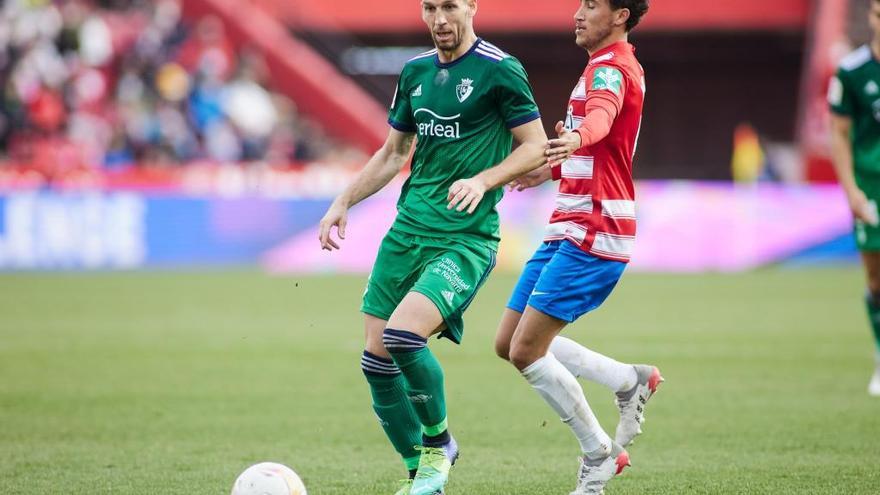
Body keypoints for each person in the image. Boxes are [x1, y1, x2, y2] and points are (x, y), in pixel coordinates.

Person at [318, 0, 547, 493]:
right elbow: (393, 152)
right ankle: (420, 476)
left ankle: (439, 442)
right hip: (407, 231)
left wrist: (484, 180)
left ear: (471, 7)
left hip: (464, 238)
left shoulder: (500, 69)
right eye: (429, 8)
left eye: (449, 6)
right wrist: (343, 200)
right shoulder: (415, 72)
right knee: (376, 361)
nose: (440, 19)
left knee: (403, 338)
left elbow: (535, 145)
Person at [493, 1, 659, 493]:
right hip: (567, 224)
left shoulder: (611, 69)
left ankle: (599, 454)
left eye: (591, 4)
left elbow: (600, 123)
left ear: (620, 15)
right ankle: (627, 380)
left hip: (595, 228)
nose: (578, 13)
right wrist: (551, 168)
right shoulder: (601, 66)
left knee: (527, 350)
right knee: (509, 343)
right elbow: (601, 148)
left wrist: (577, 137)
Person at [828, 0, 880, 397]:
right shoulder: (852, 71)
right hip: (871, 186)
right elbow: (839, 134)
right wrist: (852, 191)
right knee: (876, 279)